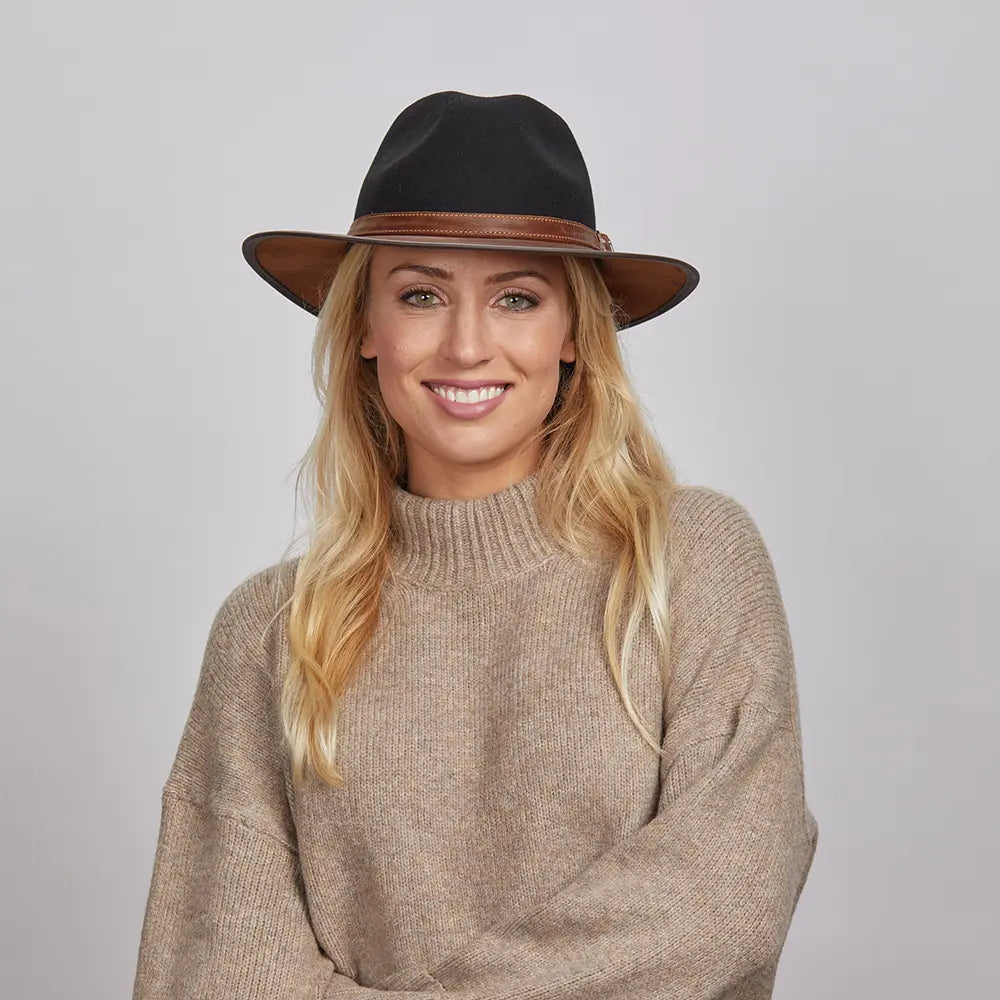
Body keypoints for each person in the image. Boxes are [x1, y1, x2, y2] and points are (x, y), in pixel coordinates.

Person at [130, 91, 819, 1000]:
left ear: (574, 331)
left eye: (516, 298)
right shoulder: (271, 631)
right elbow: (211, 971)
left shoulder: (690, 563)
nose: (465, 345)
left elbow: (725, 898)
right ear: (366, 329)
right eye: (421, 294)